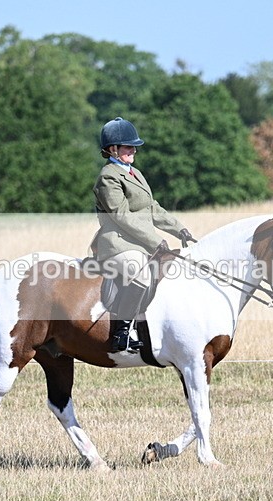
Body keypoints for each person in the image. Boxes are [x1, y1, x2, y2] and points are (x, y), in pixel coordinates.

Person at [91, 117, 195, 352]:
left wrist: (180, 229)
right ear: (112, 150)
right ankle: (122, 333)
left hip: (139, 243)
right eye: (128, 146)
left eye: (133, 146)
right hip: (118, 244)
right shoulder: (108, 177)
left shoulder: (135, 173)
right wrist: (156, 240)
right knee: (141, 275)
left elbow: (153, 208)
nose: (133, 150)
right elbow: (122, 216)